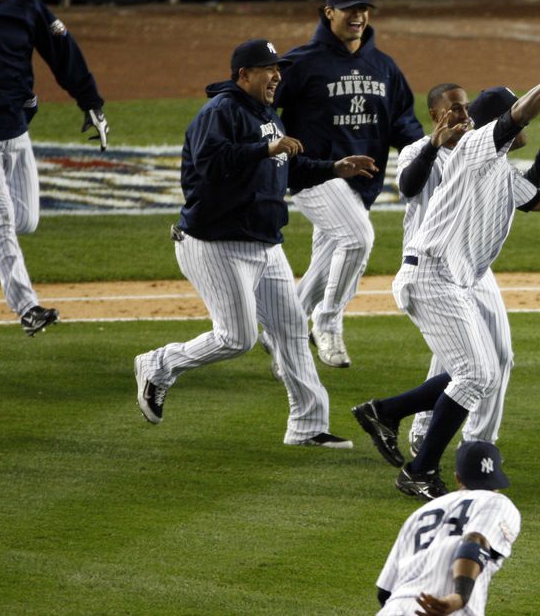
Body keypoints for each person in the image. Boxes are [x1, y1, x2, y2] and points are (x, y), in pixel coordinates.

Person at [374, 43, 540, 501]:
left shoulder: (495, 165)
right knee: (476, 374)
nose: (525, 127)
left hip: (452, 277)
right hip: (432, 274)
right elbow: (519, 113)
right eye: (517, 120)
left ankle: (386, 413)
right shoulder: (479, 145)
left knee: (482, 368)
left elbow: (537, 199)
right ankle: (419, 468)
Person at [133, 38, 375, 447]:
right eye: (268, 68)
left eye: (278, 68)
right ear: (243, 75)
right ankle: (158, 364)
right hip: (214, 243)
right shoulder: (220, 112)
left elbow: (289, 169)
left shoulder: (268, 116)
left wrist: (335, 168)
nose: (277, 75)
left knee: (292, 330)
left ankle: (307, 426)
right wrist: (264, 148)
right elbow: (210, 164)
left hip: (265, 244)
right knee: (236, 338)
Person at [352, 83, 540, 466]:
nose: (464, 114)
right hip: (433, 262)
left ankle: (476, 439)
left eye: (467, 107)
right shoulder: (419, 151)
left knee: (497, 357)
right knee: (465, 364)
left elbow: (526, 196)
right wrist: (434, 145)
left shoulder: (485, 154)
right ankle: (424, 432)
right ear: (436, 115)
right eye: (455, 108)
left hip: (471, 267)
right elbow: (408, 185)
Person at [269, 0, 424, 369]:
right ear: (329, 13)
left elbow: (402, 120)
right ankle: (328, 320)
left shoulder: (383, 66)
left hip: (362, 183)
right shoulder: (302, 62)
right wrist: (272, 142)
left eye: (362, 9)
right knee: (357, 239)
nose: (358, 16)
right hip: (313, 174)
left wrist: (427, 150)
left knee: (328, 260)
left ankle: (282, 332)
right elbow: (264, 104)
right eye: (349, 9)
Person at [0, 0, 107, 335]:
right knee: (3, 219)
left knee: (25, 220)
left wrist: (90, 102)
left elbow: (64, 53)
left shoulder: (27, 7)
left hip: (15, 132)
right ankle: (27, 308)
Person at [374, 440, 519, 616]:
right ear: (498, 479)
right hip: (443, 609)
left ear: (458, 477)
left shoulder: (419, 514)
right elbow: (476, 540)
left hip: (394, 609)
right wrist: (459, 597)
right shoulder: (497, 502)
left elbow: (384, 591)